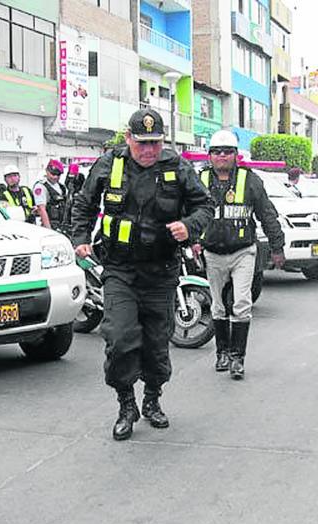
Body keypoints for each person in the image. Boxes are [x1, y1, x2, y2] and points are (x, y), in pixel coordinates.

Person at [71, 108, 213, 441]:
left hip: (161, 271)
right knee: (120, 339)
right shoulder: (109, 164)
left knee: (156, 344)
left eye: (155, 142)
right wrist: (80, 239)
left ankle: (152, 399)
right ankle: (125, 404)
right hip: (119, 269)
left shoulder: (177, 167)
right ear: (128, 139)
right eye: (142, 143)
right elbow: (84, 204)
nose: (149, 150)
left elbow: (204, 206)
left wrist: (189, 227)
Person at [196, 129, 285, 379]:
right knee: (217, 306)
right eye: (216, 152)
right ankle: (222, 353)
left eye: (227, 152)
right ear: (210, 155)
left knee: (241, 304)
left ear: (236, 155)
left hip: (243, 252)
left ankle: (238, 358)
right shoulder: (199, 180)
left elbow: (267, 214)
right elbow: (187, 214)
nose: (222, 156)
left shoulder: (251, 180)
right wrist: (192, 241)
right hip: (212, 253)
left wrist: (278, 247)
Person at [32, 159, 67, 231]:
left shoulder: (61, 187)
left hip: (62, 225)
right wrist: (49, 229)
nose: (55, 177)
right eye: (53, 174)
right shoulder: (41, 187)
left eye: (58, 175)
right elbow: (42, 210)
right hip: (51, 225)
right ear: (47, 171)